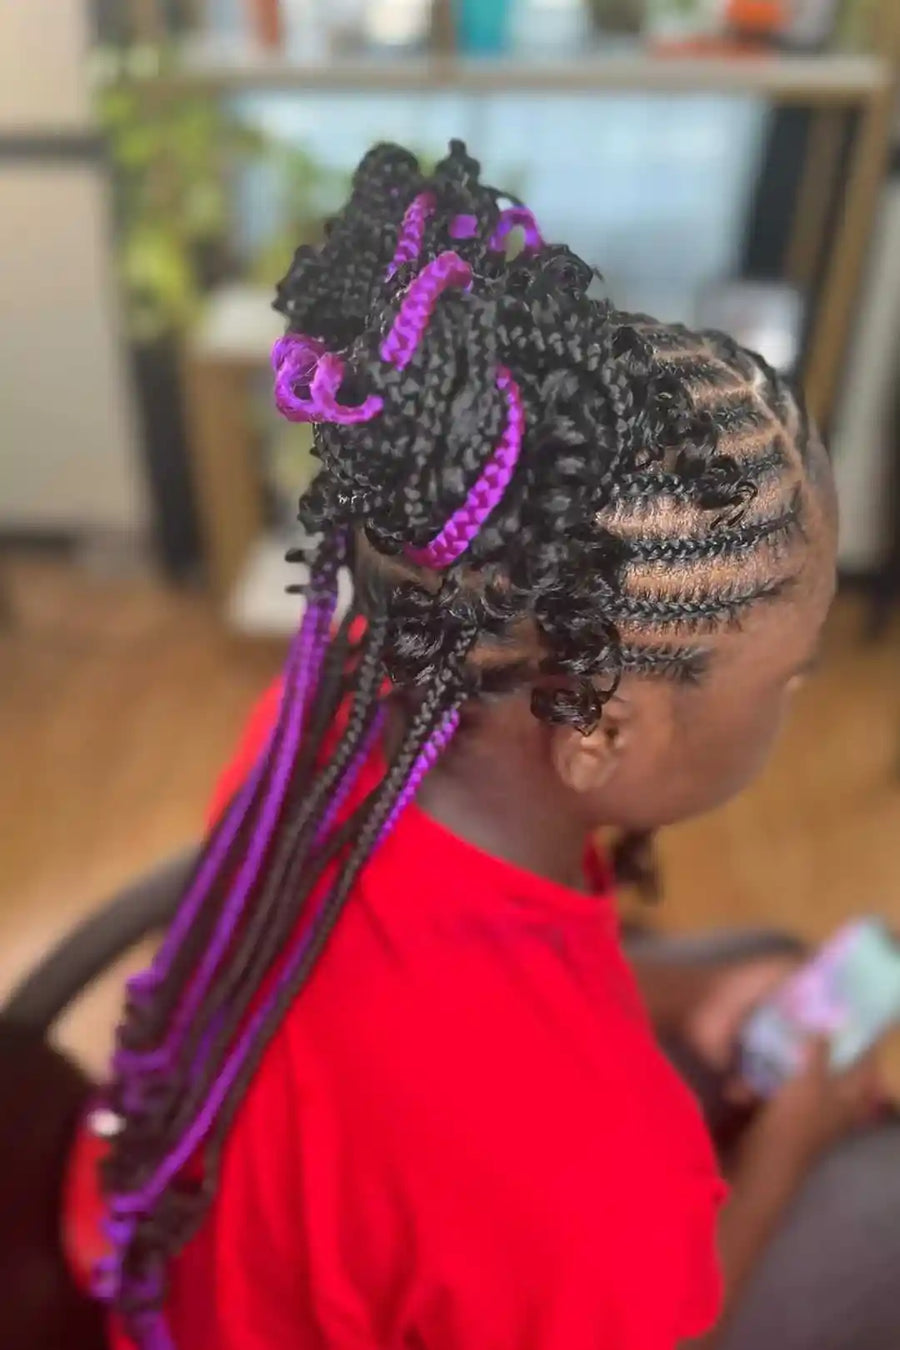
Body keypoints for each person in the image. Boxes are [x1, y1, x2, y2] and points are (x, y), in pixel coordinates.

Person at [88, 141, 896, 1350]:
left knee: (769, 957)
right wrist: (788, 1149)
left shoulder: (340, 715)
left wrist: (677, 998)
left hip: (201, 1240)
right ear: (598, 731)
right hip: (463, 1240)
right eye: (788, 677)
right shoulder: (590, 1173)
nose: (801, 697)